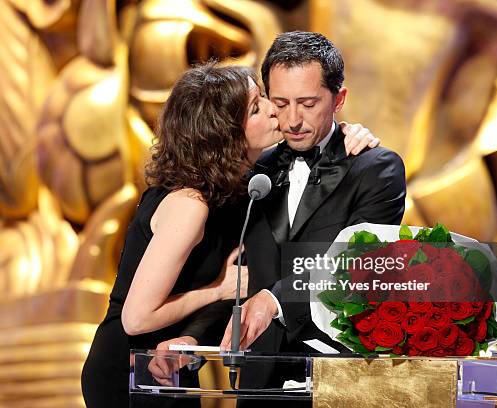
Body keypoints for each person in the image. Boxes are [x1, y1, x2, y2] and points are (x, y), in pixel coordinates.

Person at [80, 62, 378, 407]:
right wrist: (218, 289)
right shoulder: (190, 205)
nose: (273, 109)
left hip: (173, 363)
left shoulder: (235, 192)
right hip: (129, 369)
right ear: (225, 134)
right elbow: (135, 318)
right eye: (256, 108)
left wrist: (349, 134)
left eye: (264, 98)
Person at [214, 31, 407, 404]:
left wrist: (275, 299)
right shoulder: (257, 170)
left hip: (339, 374)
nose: (293, 119)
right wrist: (191, 335)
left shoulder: (375, 168)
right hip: (261, 376)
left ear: (339, 99)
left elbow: (358, 266)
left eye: (307, 103)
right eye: (280, 103)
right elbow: (227, 270)